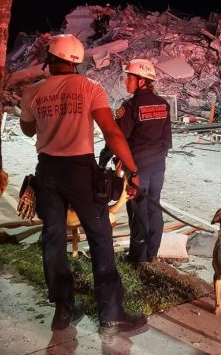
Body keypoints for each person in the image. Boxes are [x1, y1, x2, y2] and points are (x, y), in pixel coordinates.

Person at [19, 34, 146, 335]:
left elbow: (26, 130)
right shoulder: (90, 88)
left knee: (53, 238)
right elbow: (112, 134)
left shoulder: (32, 91)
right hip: (80, 170)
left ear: (50, 59)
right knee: (100, 238)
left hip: (48, 171)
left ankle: (64, 309)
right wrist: (133, 170)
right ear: (77, 63)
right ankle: (111, 316)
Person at [99, 58, 172, 264]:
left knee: (137, 209)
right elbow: (167, 140)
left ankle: (137, 257)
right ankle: (152, 253)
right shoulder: (163, 105)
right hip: (158, 165)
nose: (125, 82)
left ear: (141, 81)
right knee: (154, 206)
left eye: (129, 78)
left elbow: (116, 138)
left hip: (137, 167)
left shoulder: (130, 107)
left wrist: (104, 160)